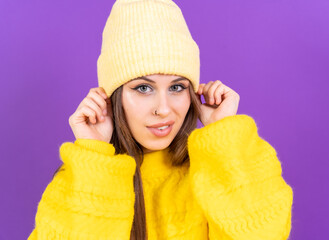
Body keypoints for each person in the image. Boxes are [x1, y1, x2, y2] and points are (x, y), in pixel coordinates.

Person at [28, 0, 294, 239]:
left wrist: (224, 135)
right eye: (144, 88)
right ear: (113, 96)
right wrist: (95, 157)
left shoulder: (215, 169)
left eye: (177, 87)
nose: (164, 109)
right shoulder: (82, 178)